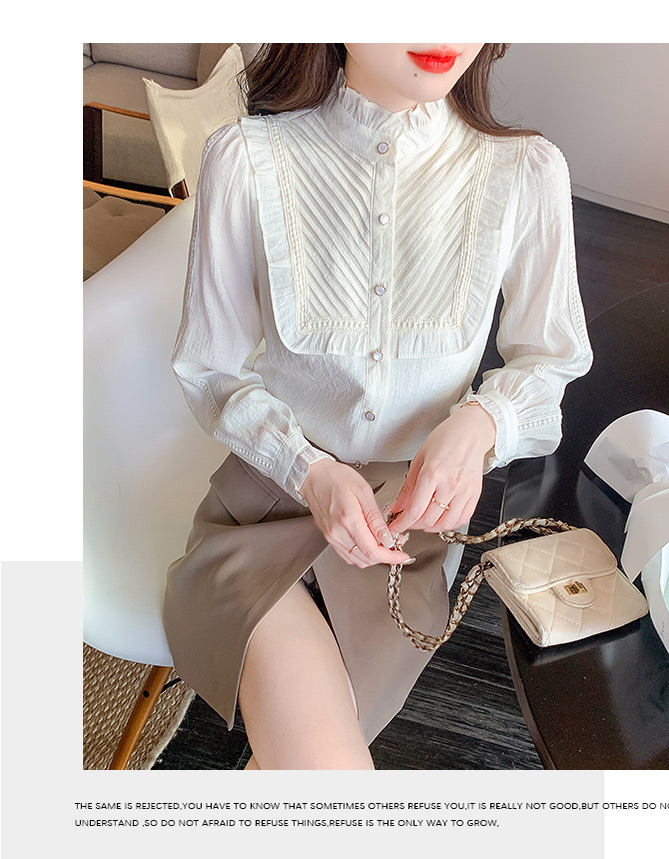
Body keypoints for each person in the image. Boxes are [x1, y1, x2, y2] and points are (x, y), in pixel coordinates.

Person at [162, 43, 593, 770]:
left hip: (403, 538)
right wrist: (311, 472)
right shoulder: (246, 159)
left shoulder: (526, 172)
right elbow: (209, 371)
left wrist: (481, 422)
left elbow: (551, 358)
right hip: (265, 511)